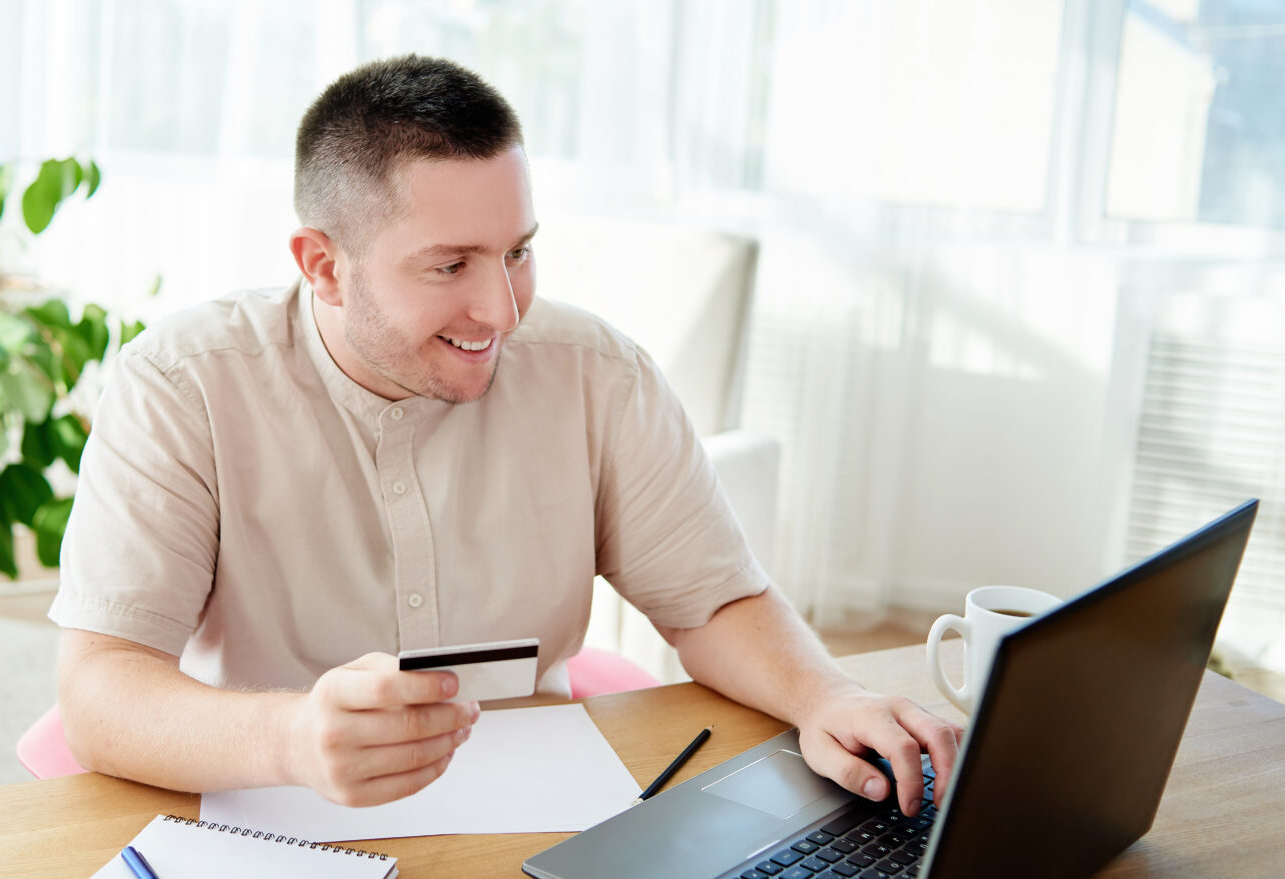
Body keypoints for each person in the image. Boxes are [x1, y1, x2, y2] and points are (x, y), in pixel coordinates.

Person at [51, 54, 960, 813]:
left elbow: (712, 602)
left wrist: (826, 694)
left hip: (538, 817)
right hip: (263, 805)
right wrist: (291, 737)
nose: (501, 307)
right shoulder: (181, 384)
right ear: (324, 265)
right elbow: (100, 690)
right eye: (450, 265)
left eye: (518, 250)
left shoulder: (598, 372)